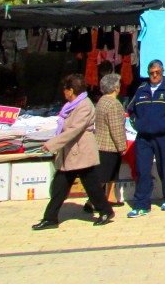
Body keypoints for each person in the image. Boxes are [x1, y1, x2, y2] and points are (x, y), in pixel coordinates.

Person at [32, 74, 115, 230]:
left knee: (91, 185)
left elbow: (74, 130)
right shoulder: (70, 106)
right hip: (70, 152)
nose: (64, 93)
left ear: (71, 90)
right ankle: (50, 218)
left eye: (65, 89)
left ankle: (105, 211)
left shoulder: (85, 105)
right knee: (59, 186)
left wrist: (52, 144)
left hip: (81, 151)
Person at [126, 60, 165, 217]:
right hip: (144, 137)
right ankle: (141, 204)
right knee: (142, 169)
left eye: (157, 73)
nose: (154, 75)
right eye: (151, 73)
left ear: (162, 72)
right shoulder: (142, 89)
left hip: (164, 136)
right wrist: (136, 124)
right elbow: (131, 109)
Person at [91, 73, 127, 212]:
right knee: (104, 176)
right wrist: (122, 146)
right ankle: (94, 201)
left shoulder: (101, 101)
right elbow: (116, 127)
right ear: (115, 87)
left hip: (100, 143)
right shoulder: (114, 104)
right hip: (109, 145)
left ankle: (110, 197)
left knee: (108, 176)